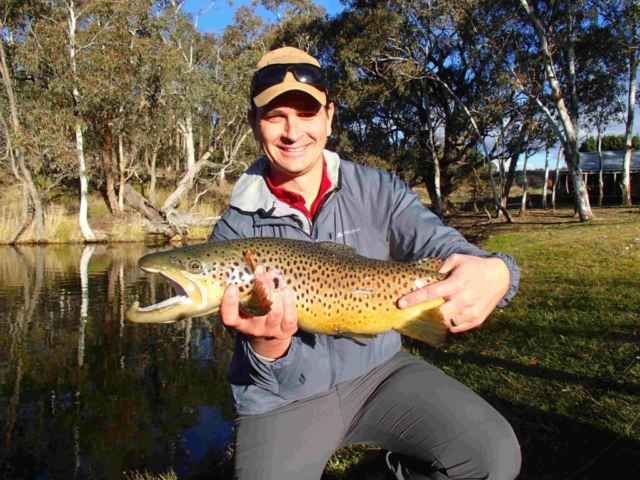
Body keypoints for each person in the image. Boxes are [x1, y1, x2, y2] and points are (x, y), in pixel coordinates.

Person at [210, 46, 522, 480]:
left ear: (329, 118)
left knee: (492, 456)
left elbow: (442, 243)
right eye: (275, 116)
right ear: (253, 123)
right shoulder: (233, 232)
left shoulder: (379, 189)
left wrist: (497, 270)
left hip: (381, 372)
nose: (292, 132)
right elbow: (253, 347)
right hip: (281, 397)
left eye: (306, 113)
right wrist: (268, 345)